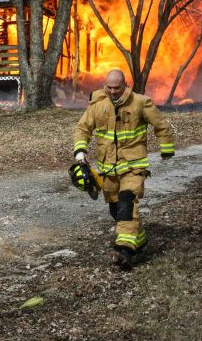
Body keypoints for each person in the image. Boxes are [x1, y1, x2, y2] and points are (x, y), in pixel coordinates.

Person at [73, 69, 176, 269]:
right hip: (108, 169)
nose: (112, 91)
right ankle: (140, 239)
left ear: (125, 85)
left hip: (133, 166)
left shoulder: (140, 103)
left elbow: (161, 125)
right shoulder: (98, 104)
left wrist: (166, 149)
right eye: (109, 87)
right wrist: (80, 151)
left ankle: (125, 251)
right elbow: (82, 128)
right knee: (115, 208)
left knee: (127, 202)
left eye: (116, 88)